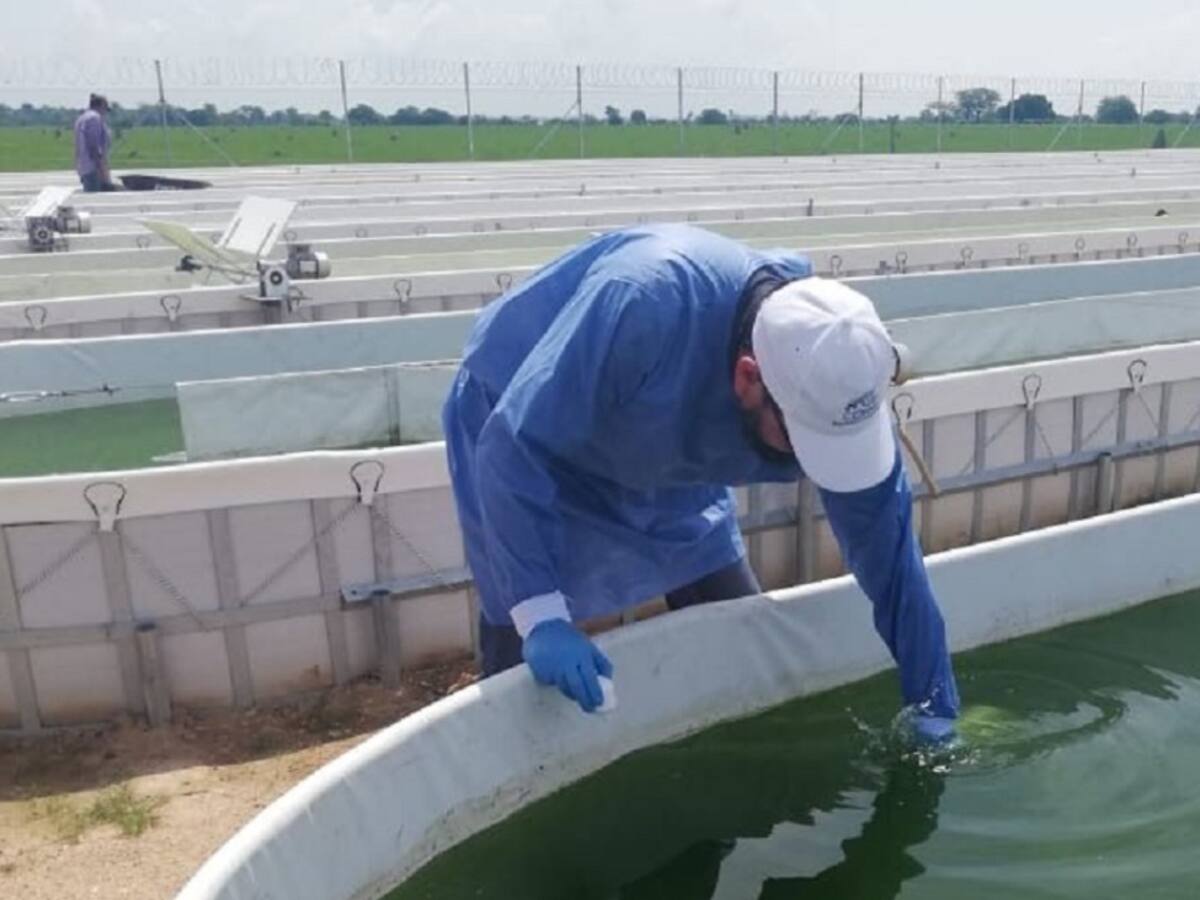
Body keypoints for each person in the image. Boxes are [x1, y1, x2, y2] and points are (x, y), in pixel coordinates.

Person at [442, 224, 959, 739]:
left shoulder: (835, 369)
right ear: (747, 379)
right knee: (523, 629)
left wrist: (932, 695)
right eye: (798, 440)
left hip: (666, 452)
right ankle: (509, 739)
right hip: (528, 435)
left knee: (737, 626)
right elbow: (514, 447)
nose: (806, 462)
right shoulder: (643, 302)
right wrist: (540, 614)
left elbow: (890, 555)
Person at [74, 93, 115, 192]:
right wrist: (103, 173)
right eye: (105, 109)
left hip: (84, 168)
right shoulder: (94, 118)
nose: (105, 113)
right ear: (101, 106)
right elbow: (94, 148)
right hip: (94, 170)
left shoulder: (81, 118)